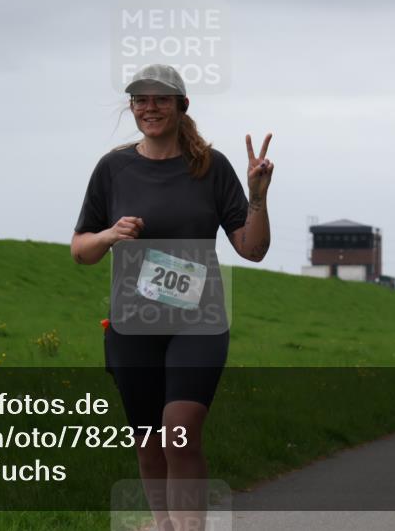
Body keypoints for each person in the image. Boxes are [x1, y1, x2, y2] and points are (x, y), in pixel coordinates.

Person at [71, 64, 273, 531]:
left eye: (161, 99)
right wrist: (109, 236)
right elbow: (81, 250)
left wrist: (258, 197)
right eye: (140, 100)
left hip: (197, 321)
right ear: (132, 108)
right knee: (148, 442)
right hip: (133, 321)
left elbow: (253, 249)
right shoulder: (113, 168)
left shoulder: (211, 167)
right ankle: (163, 523)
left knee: (180, 434)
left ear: (183, 106)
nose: (150, 107)